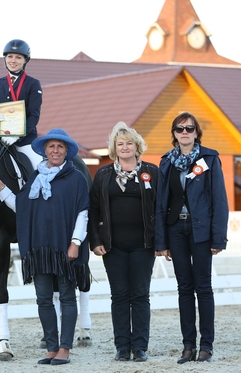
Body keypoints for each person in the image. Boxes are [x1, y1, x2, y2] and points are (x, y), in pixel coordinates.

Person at [0, 128, 89, 366]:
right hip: (39, 249)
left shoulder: (76, 178)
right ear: (45, 150)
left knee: (67, 298)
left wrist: (76, 243)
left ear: (66, 151)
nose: (55, 150)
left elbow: (83, 213)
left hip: (65, 248)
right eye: (51, 146)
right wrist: (0, 183)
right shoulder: (35, 178)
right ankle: (51, 347)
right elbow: (21, 207)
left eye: (60, 147)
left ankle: (65, 348)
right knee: (43, 299)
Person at [155, 112, 229, 364]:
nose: (184, 132)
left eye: (189, 128)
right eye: (179, 128)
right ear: (174, 134)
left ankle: (206, 346)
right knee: (184, 289)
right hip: (175, 229)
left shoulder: (209, 158)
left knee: (203, 288)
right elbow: (160, 202)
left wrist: (218, 238)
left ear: (197, 132)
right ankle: (188, 346)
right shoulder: (166, 162)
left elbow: (219, 199)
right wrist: (161, 241)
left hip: (201, 231)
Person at [88, 122, 157, 362]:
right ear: (114, 148)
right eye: (120, 143)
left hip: (143, 245)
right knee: (118, 296)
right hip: (112, 246)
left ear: (137, 146)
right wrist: (94, 241)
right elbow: (94, 209)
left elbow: (159, 207)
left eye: (129, 143)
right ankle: (122, 348)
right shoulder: (104, 174)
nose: (125, 147)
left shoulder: (151, 171)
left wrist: (160, 241)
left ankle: (139, 347)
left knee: (139, 295)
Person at [0, 39, 43, 169]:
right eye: (10, 56)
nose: (13, 60)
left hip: (25, 142)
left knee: (38, 169)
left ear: (25, 60)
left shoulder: (33, 84)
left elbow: (34, 116)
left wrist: (17, 135)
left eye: (18, 57)